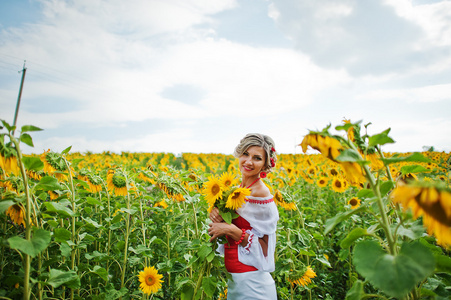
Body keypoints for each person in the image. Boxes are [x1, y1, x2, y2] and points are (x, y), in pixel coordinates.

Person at [208, 133, 279, 300]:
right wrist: (215, 213)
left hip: (254, 285)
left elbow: (265, 248)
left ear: (265, 164)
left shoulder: (261, 194)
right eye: (245, 154)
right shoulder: (235, 191)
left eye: (257, 158)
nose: (248, 161)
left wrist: (230, 229)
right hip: (235, 282)